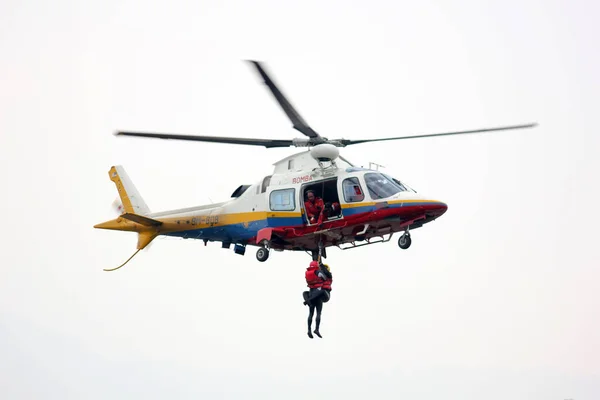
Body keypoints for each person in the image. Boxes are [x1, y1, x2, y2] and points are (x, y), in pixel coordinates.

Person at [302, 260, 332, 339]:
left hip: (312, 295)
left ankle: (309, 330)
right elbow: (324, 276)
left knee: (311, 314)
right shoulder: (322, 275)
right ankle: (316, 329)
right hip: (319, 296)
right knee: (318, 313)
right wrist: (320, 265)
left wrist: (320, 265)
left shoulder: (314, 273)